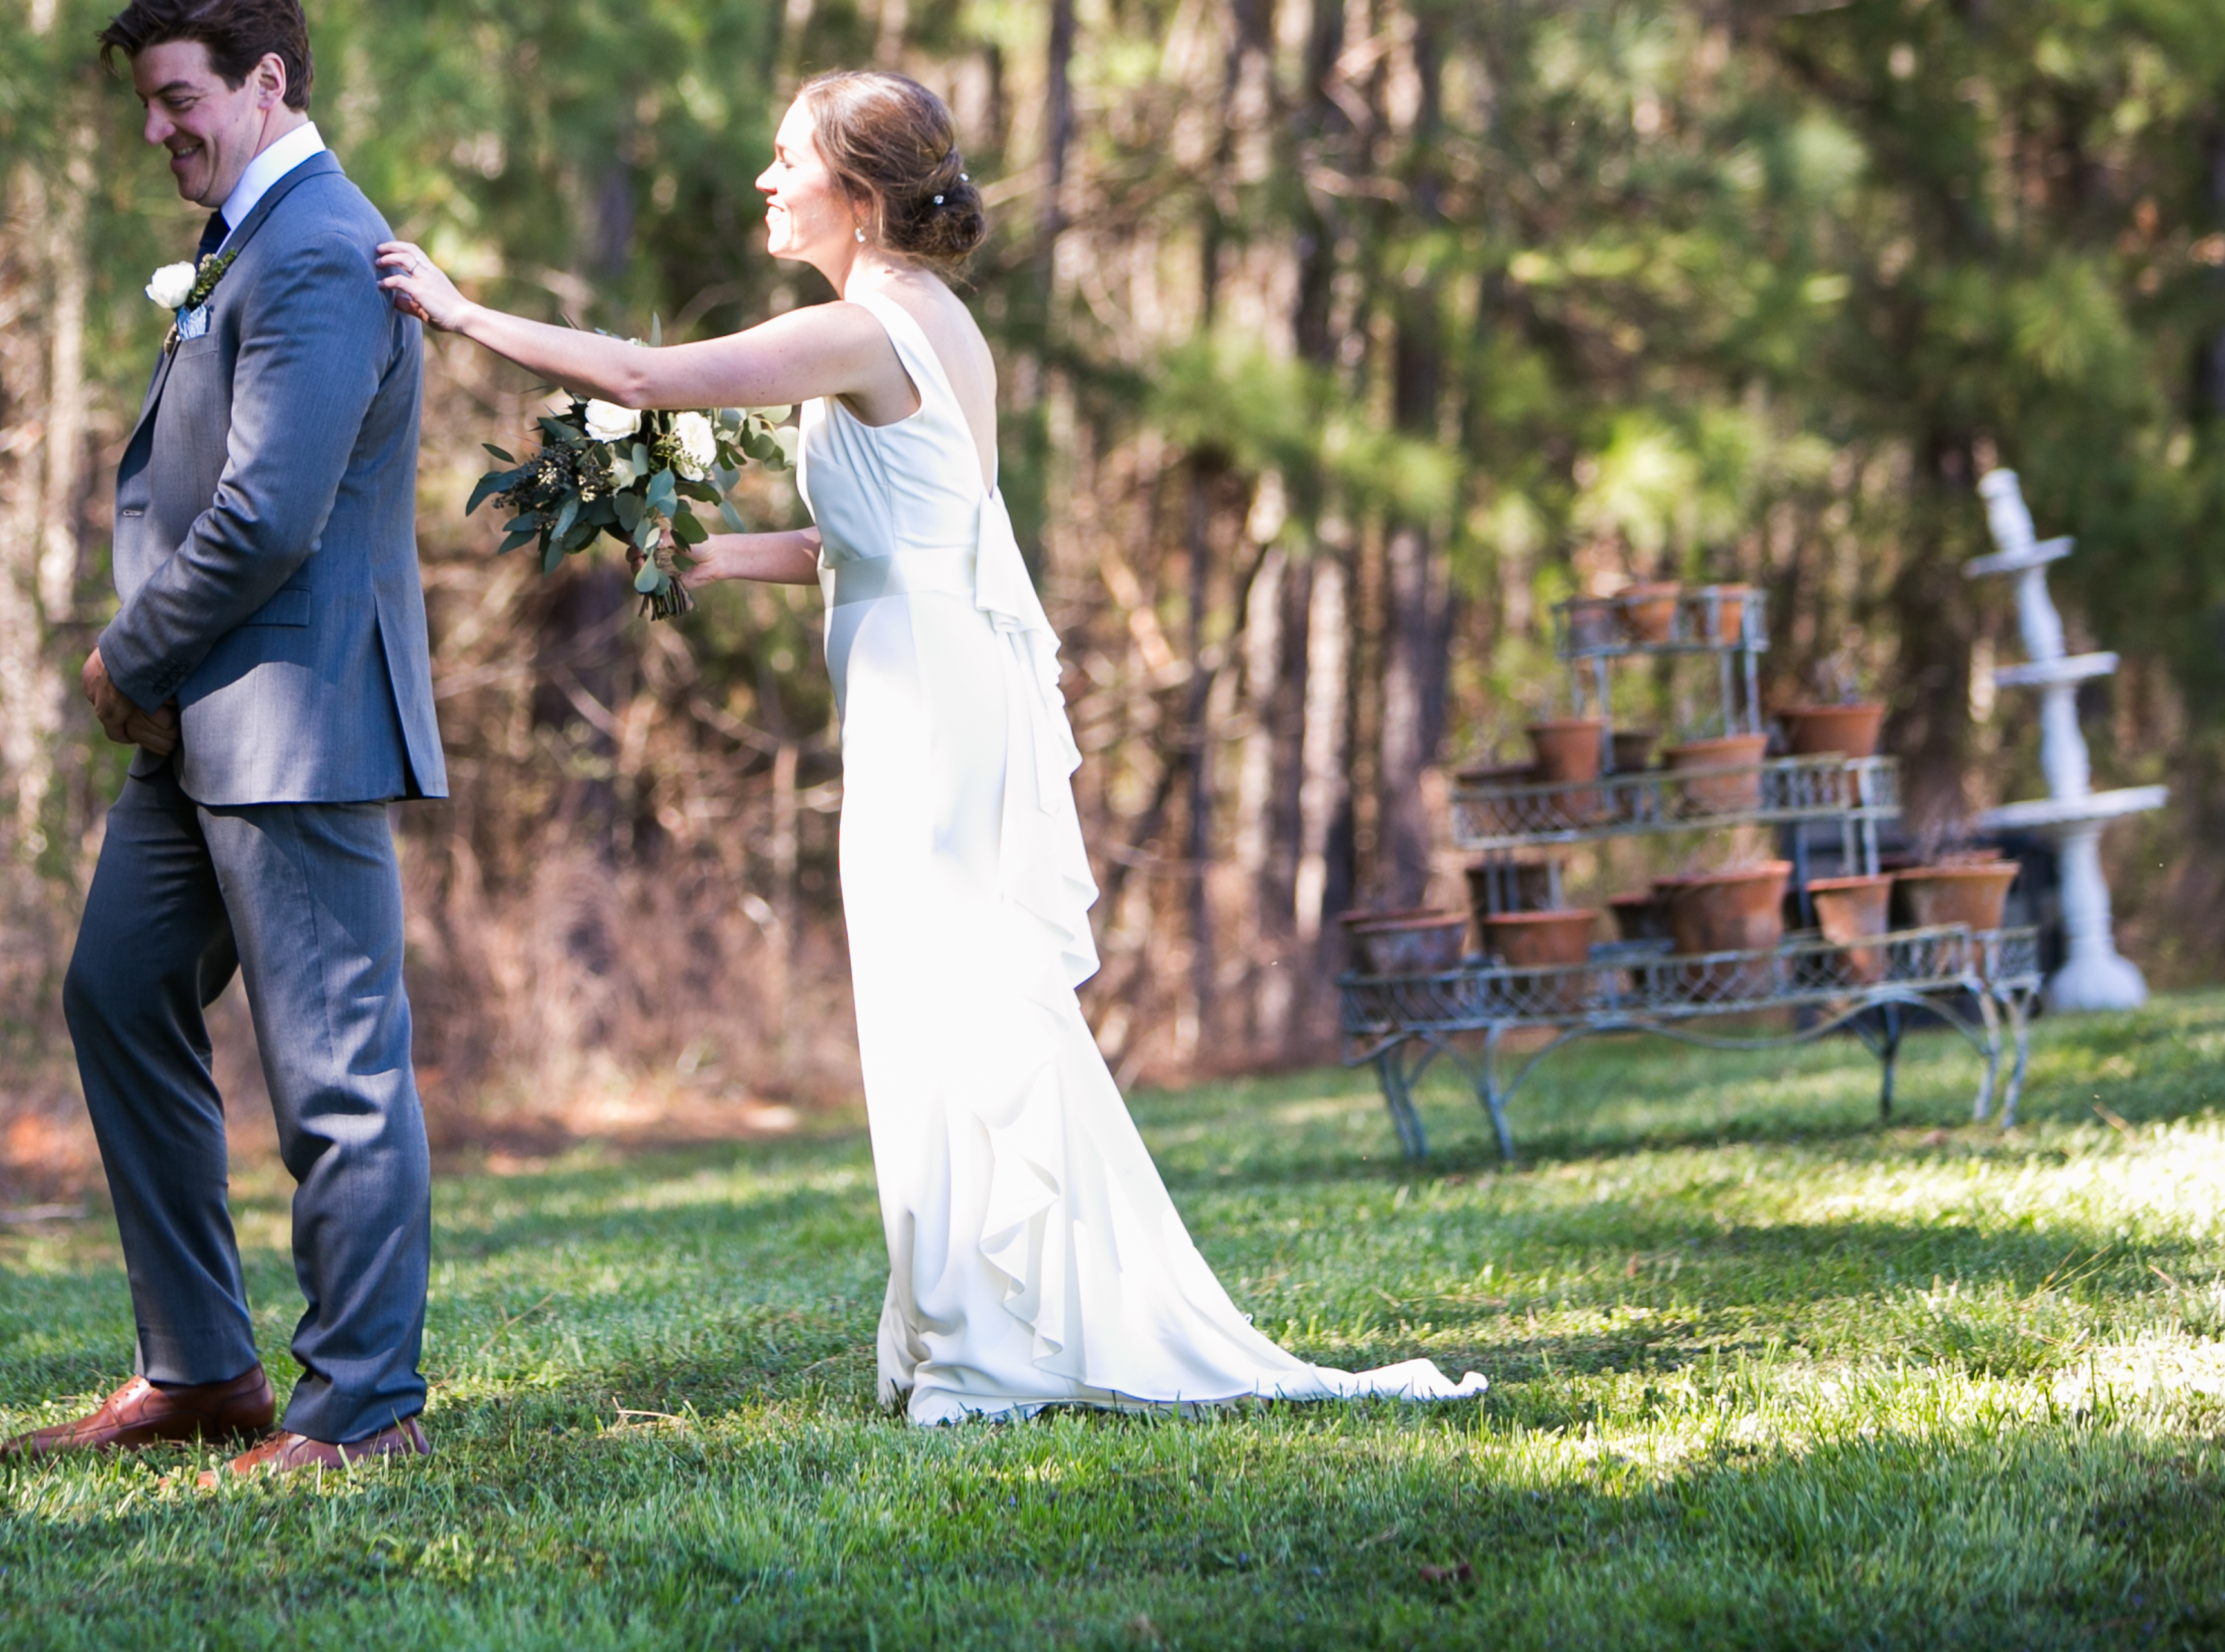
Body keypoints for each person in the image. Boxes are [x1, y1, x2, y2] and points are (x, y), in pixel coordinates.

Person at [375, 69, 1484, 1425]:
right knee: (947, 1004)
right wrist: (720, 556)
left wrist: (462, 309)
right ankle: (992, 1314)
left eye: (788, 159)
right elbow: (892, 536)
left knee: (941, 1005)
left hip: (925, 709)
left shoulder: (865, 326)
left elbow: (648, 378)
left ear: (856, 192)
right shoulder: (931, 321)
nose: (767, 181)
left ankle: (992, 1342)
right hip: (932, 679)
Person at [0, 0, 447, 1476]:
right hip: (204, 720)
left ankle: (363, 1404)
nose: (157, 130)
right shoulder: (244, 235)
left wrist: (127, 655)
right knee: (119, 987)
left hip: (293, 712)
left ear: (268, 82)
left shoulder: (316, 245)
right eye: (146, 102)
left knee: (334, 1069)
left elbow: (268, 513)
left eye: (178, 97)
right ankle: (201, 1368)